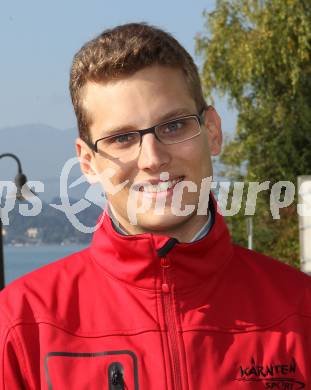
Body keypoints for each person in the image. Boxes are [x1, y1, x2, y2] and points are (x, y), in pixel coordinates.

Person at [0, 22, 311, 390]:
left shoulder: (300, 310)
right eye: (122, 138)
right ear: (88, 162)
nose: (152, 158)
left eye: (174, 126)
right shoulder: (21, 326)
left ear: (212, 131)